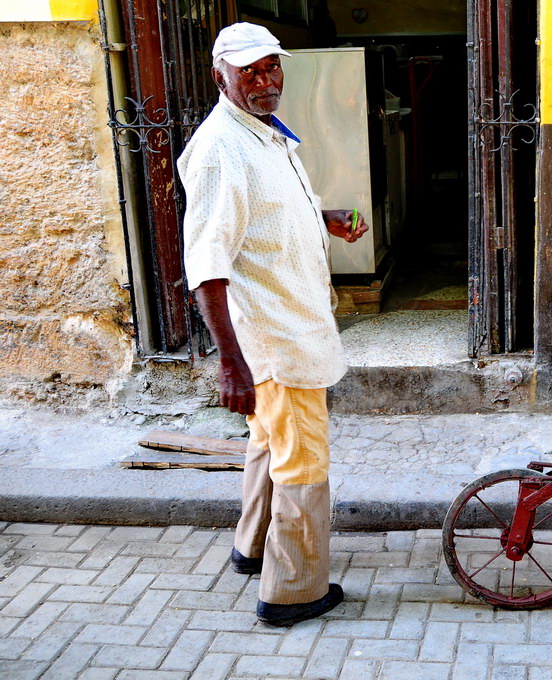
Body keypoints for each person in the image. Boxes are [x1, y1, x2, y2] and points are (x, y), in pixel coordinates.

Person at [178, 22, 368, 627]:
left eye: (271, 68)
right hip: (275, 339)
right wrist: (230, 362)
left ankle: (251, 546)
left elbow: (268, 212)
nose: (265, 82)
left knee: (269, 441)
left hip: (288, 325)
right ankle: (292, 591)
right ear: (220, 77)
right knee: (304, 461)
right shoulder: (218, 149)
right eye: (249, 72)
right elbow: (207, 262)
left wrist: (323, 218)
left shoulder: (260, 130)